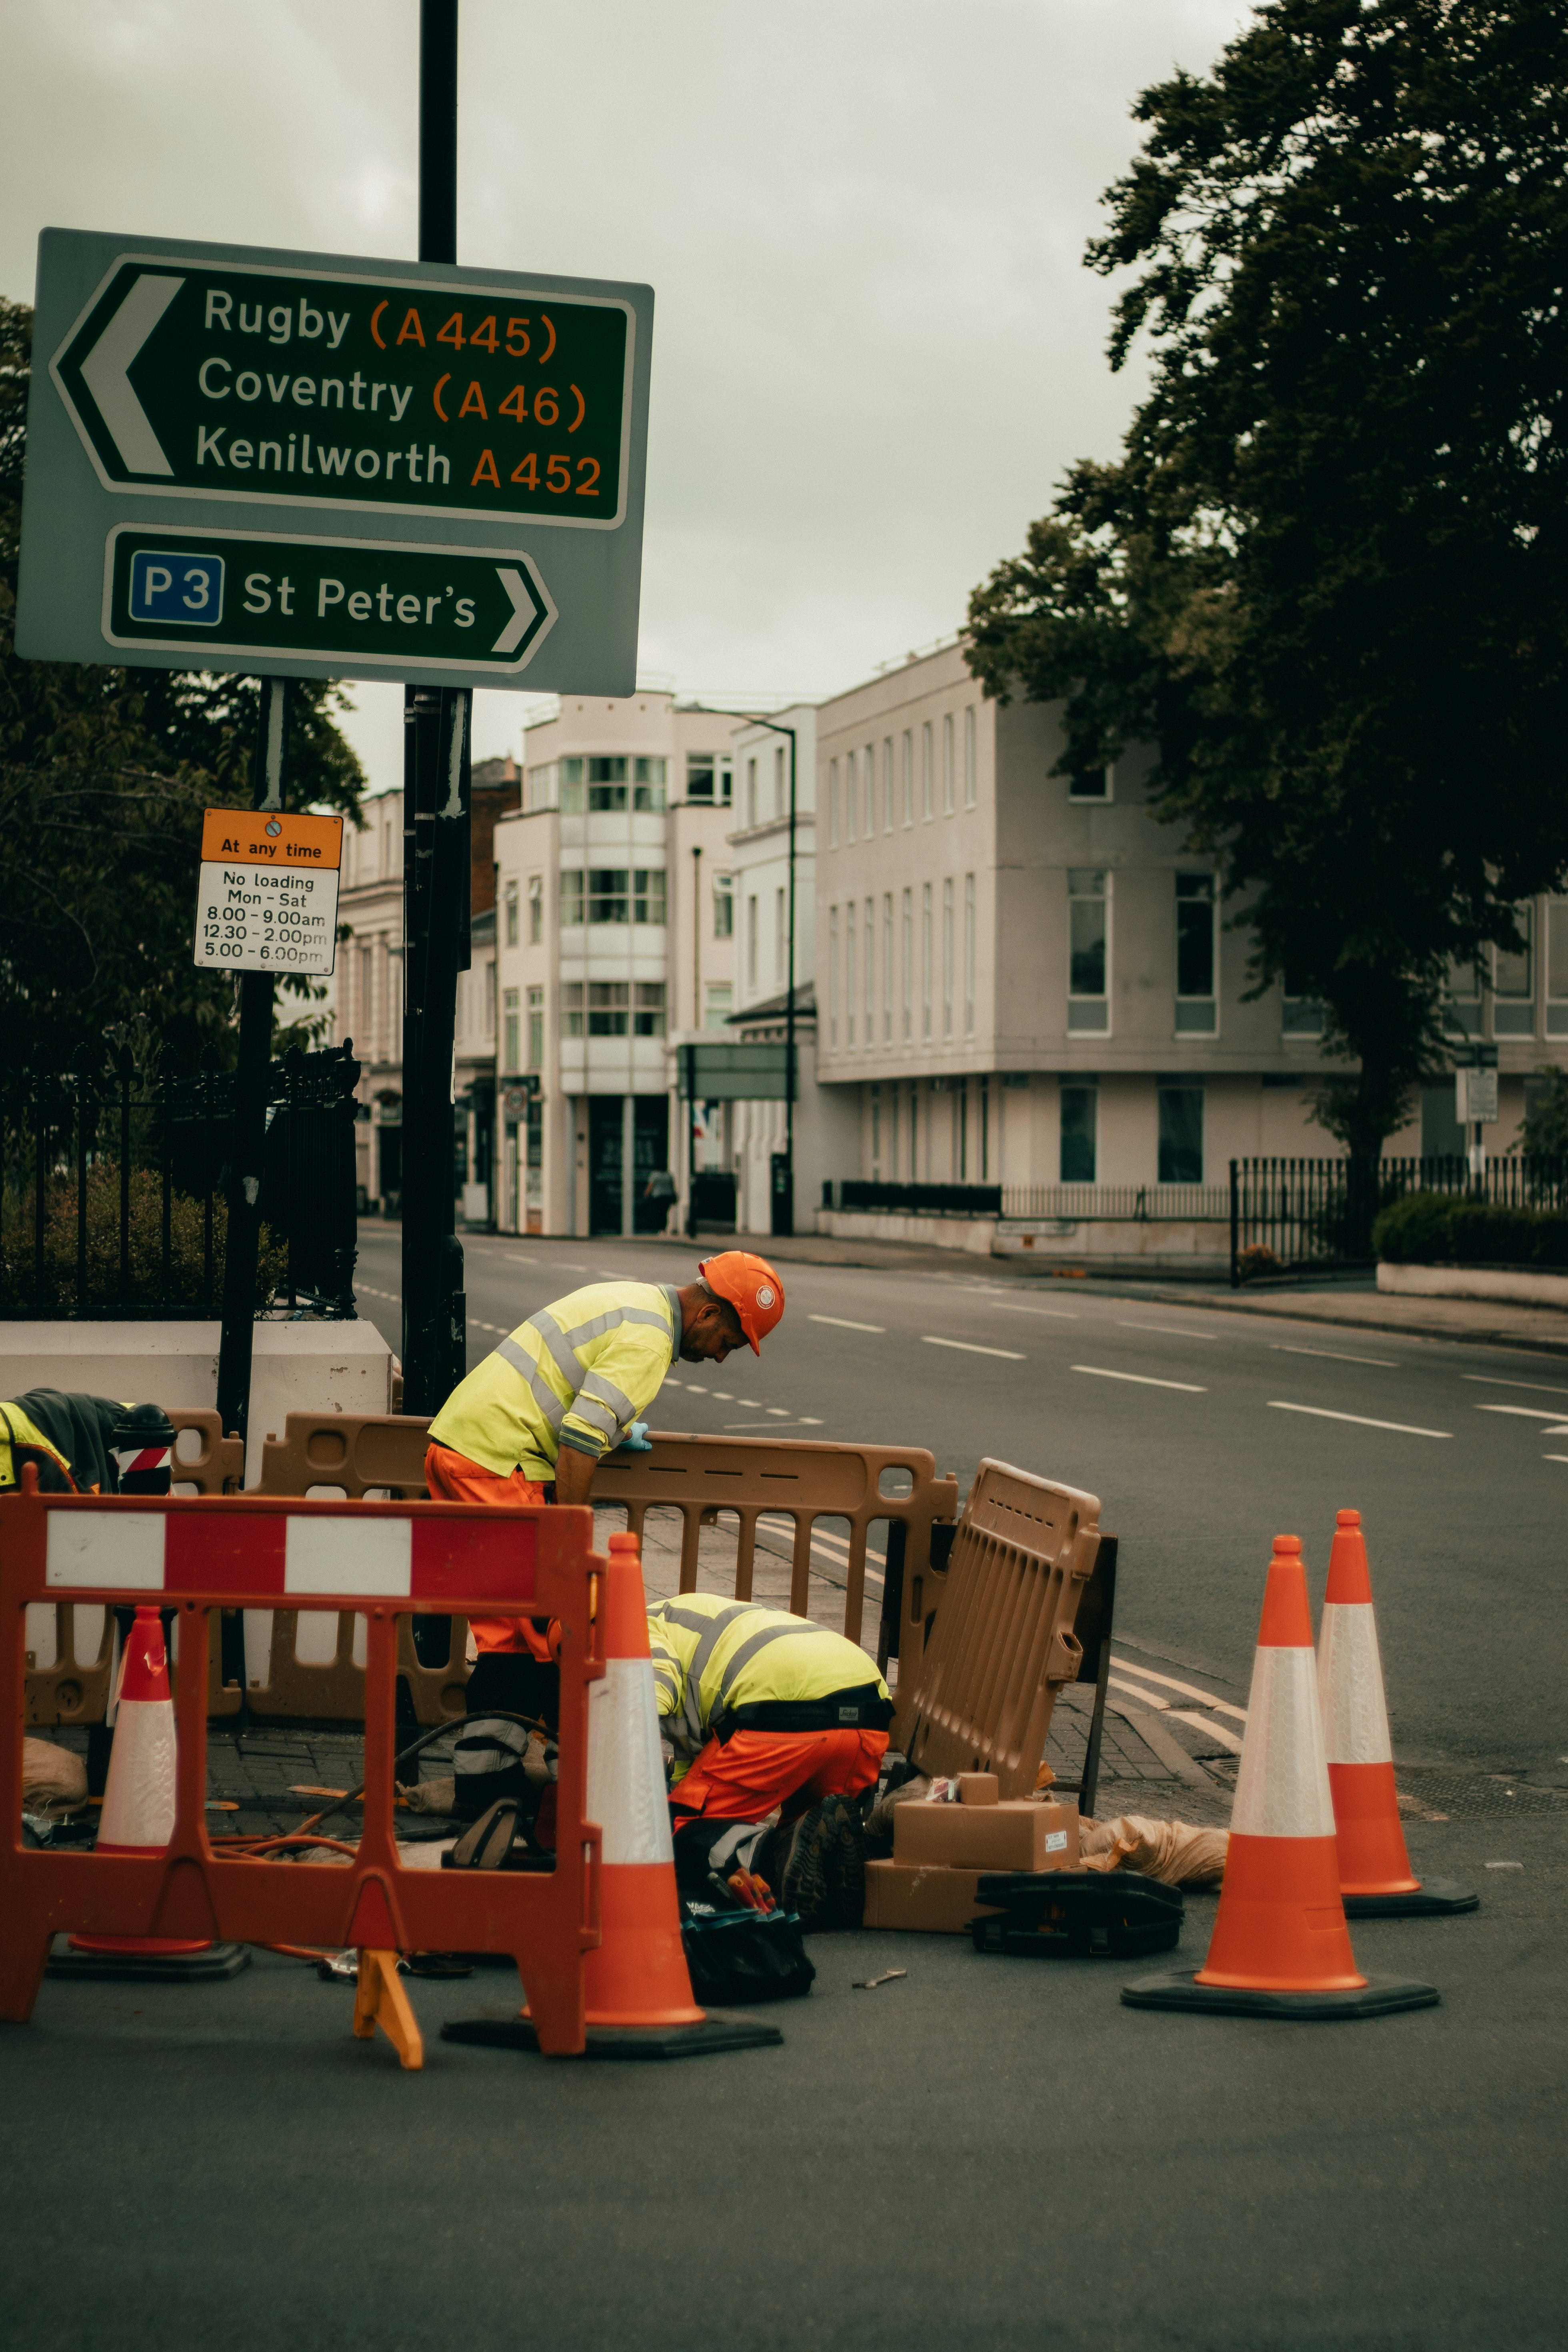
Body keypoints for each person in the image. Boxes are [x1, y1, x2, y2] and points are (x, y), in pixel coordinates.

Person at [425, 1251, 786, 1817]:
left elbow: (576, 1401)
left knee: (512, 1637)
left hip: (462, 1449)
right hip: (500, 1466)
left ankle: (486, 1790)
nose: (720, 1358)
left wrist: (617, 1428)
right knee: (558, 1625)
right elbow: (580, 1438)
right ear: (708, 1314)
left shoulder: (635, 1302)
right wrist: (570, 1539)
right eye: (728, 1344)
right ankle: (591, 1790)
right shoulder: (648, 1342)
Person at [647, 1590, 893, 1902]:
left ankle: (772, 1856)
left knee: (677, 1842)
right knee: (813, 1833)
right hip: (866, 1718)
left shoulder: (635, 1628)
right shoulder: (694, 1616)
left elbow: (641, 1707)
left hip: (782, 1717)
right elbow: (695, 1779)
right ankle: (837, 1869)